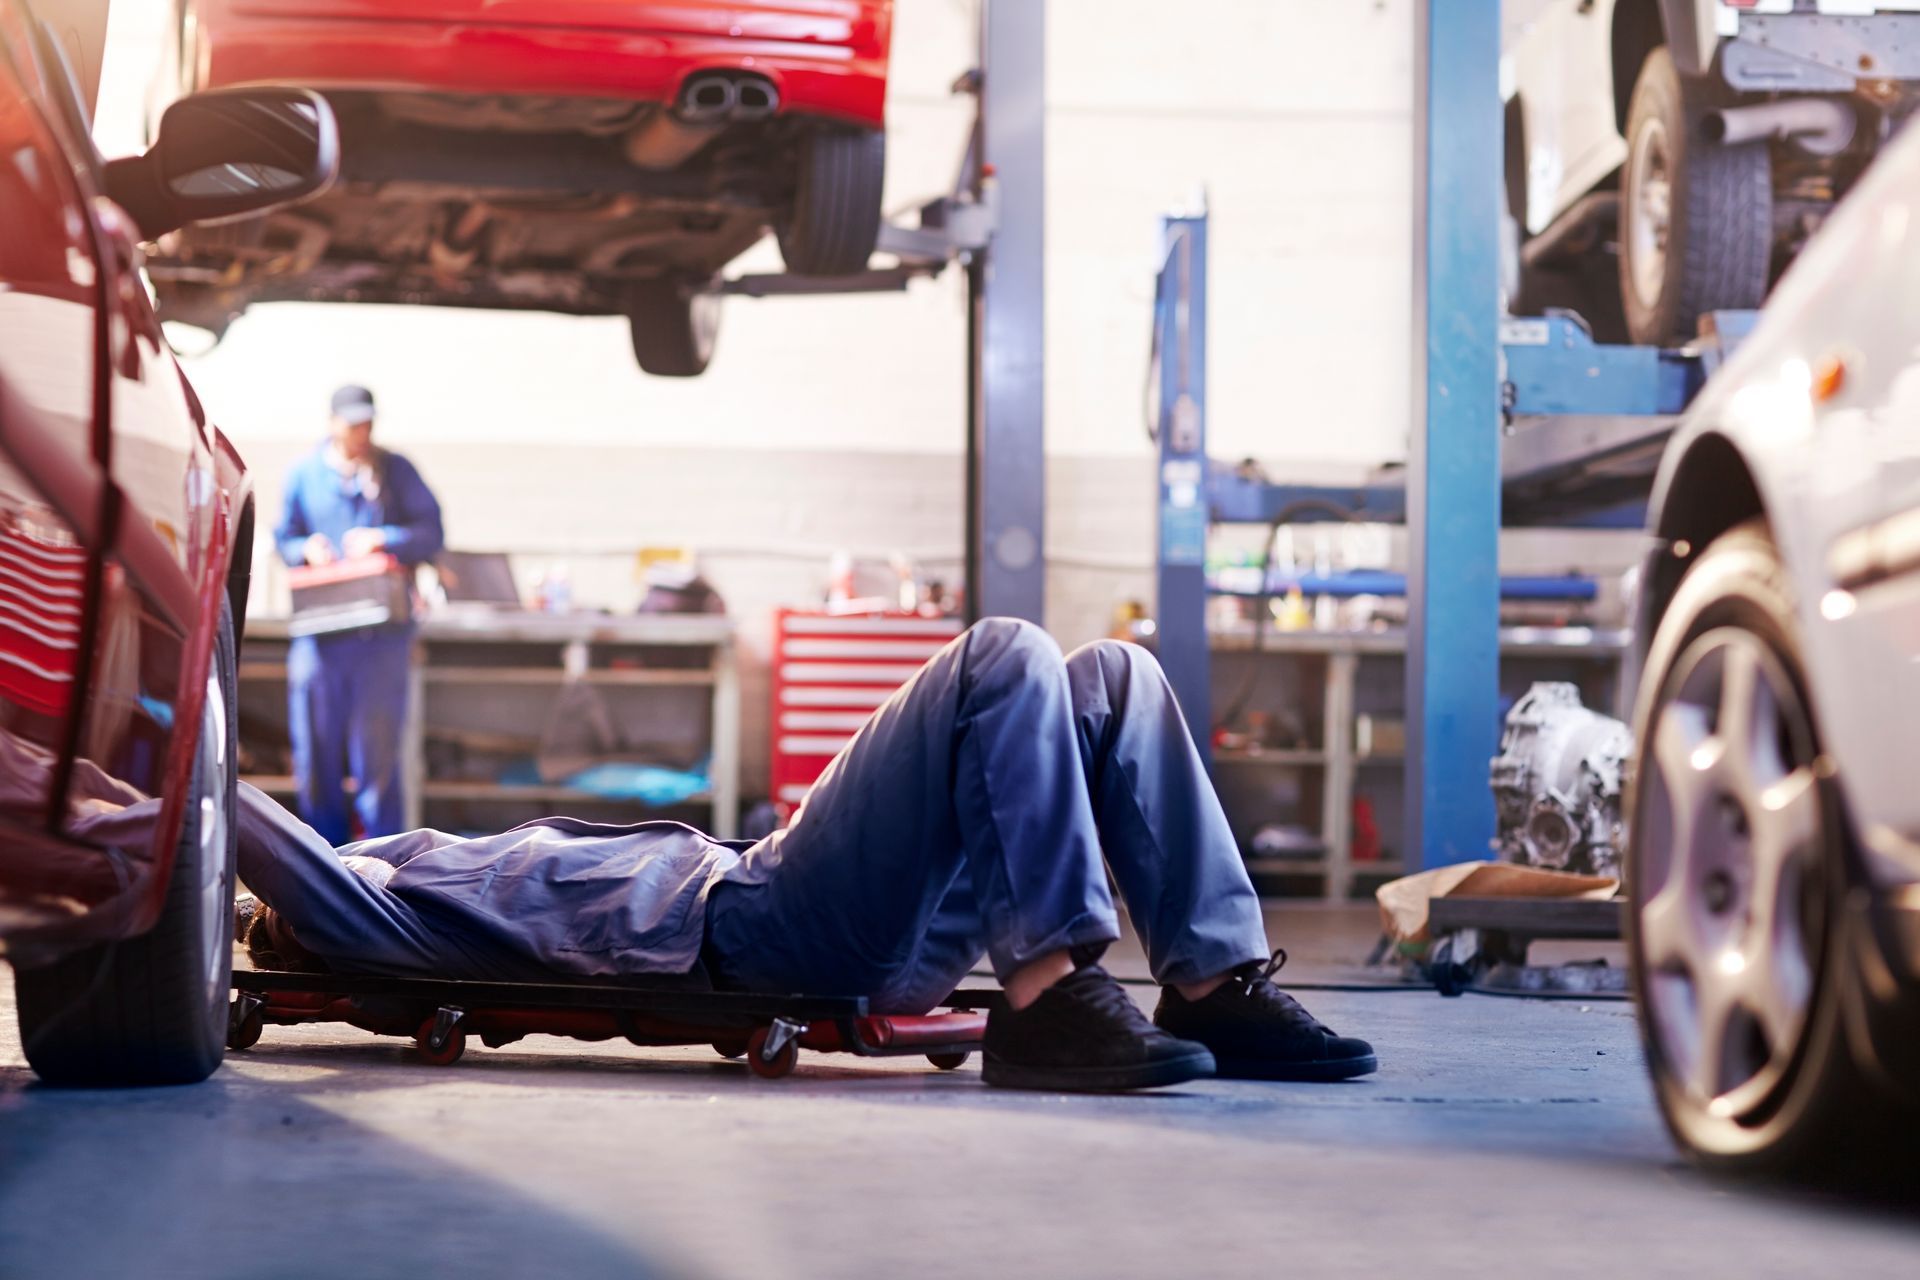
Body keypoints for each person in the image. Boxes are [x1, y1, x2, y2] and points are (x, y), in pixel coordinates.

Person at [233, 619, 1377, 1092]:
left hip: (803, 894)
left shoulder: (422, 851)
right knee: (999, 655)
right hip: (757, 925)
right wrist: (175, 762)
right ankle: (1047, 1000)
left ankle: (1213, 985)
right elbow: (267, 841)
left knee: (1111, 673)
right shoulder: (371, 908)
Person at [273, 385, 443, 845]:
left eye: (367, 423)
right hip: (320, 642)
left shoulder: (396, 470)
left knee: (379, 762)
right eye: (352, 424)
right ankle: (322, 858)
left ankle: (384, 863)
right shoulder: (304, 475)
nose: (361, 432)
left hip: (381, 641)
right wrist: (304, 548)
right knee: (315, 759)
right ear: (332, 423)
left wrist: (383, 538)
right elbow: (281, 539)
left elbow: (432, 533)